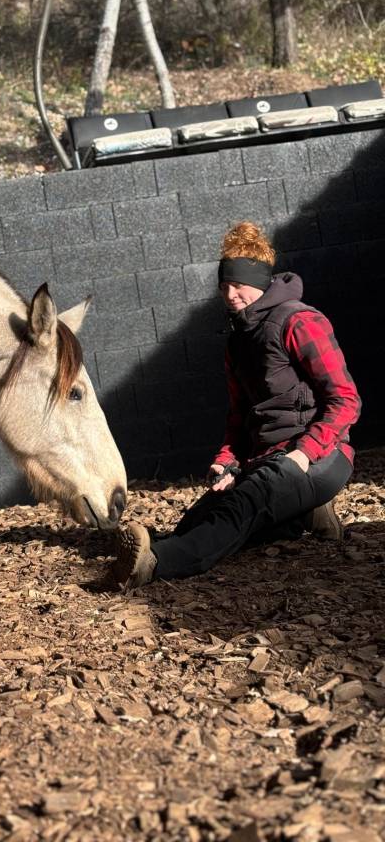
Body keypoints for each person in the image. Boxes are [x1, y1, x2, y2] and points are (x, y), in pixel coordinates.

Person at [114, 221, 361, 587]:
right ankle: (302, 515)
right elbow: (239, 416)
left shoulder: (299, 322)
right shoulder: (239, 341)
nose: (230, 295)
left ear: (260, 282)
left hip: (319, 457)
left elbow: (346, 399)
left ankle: (154, 564)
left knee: (240, 508)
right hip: (266, 460)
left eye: (238, 285)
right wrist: (227, 460)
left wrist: (304, 453)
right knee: (201, 517)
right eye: (223, 286)